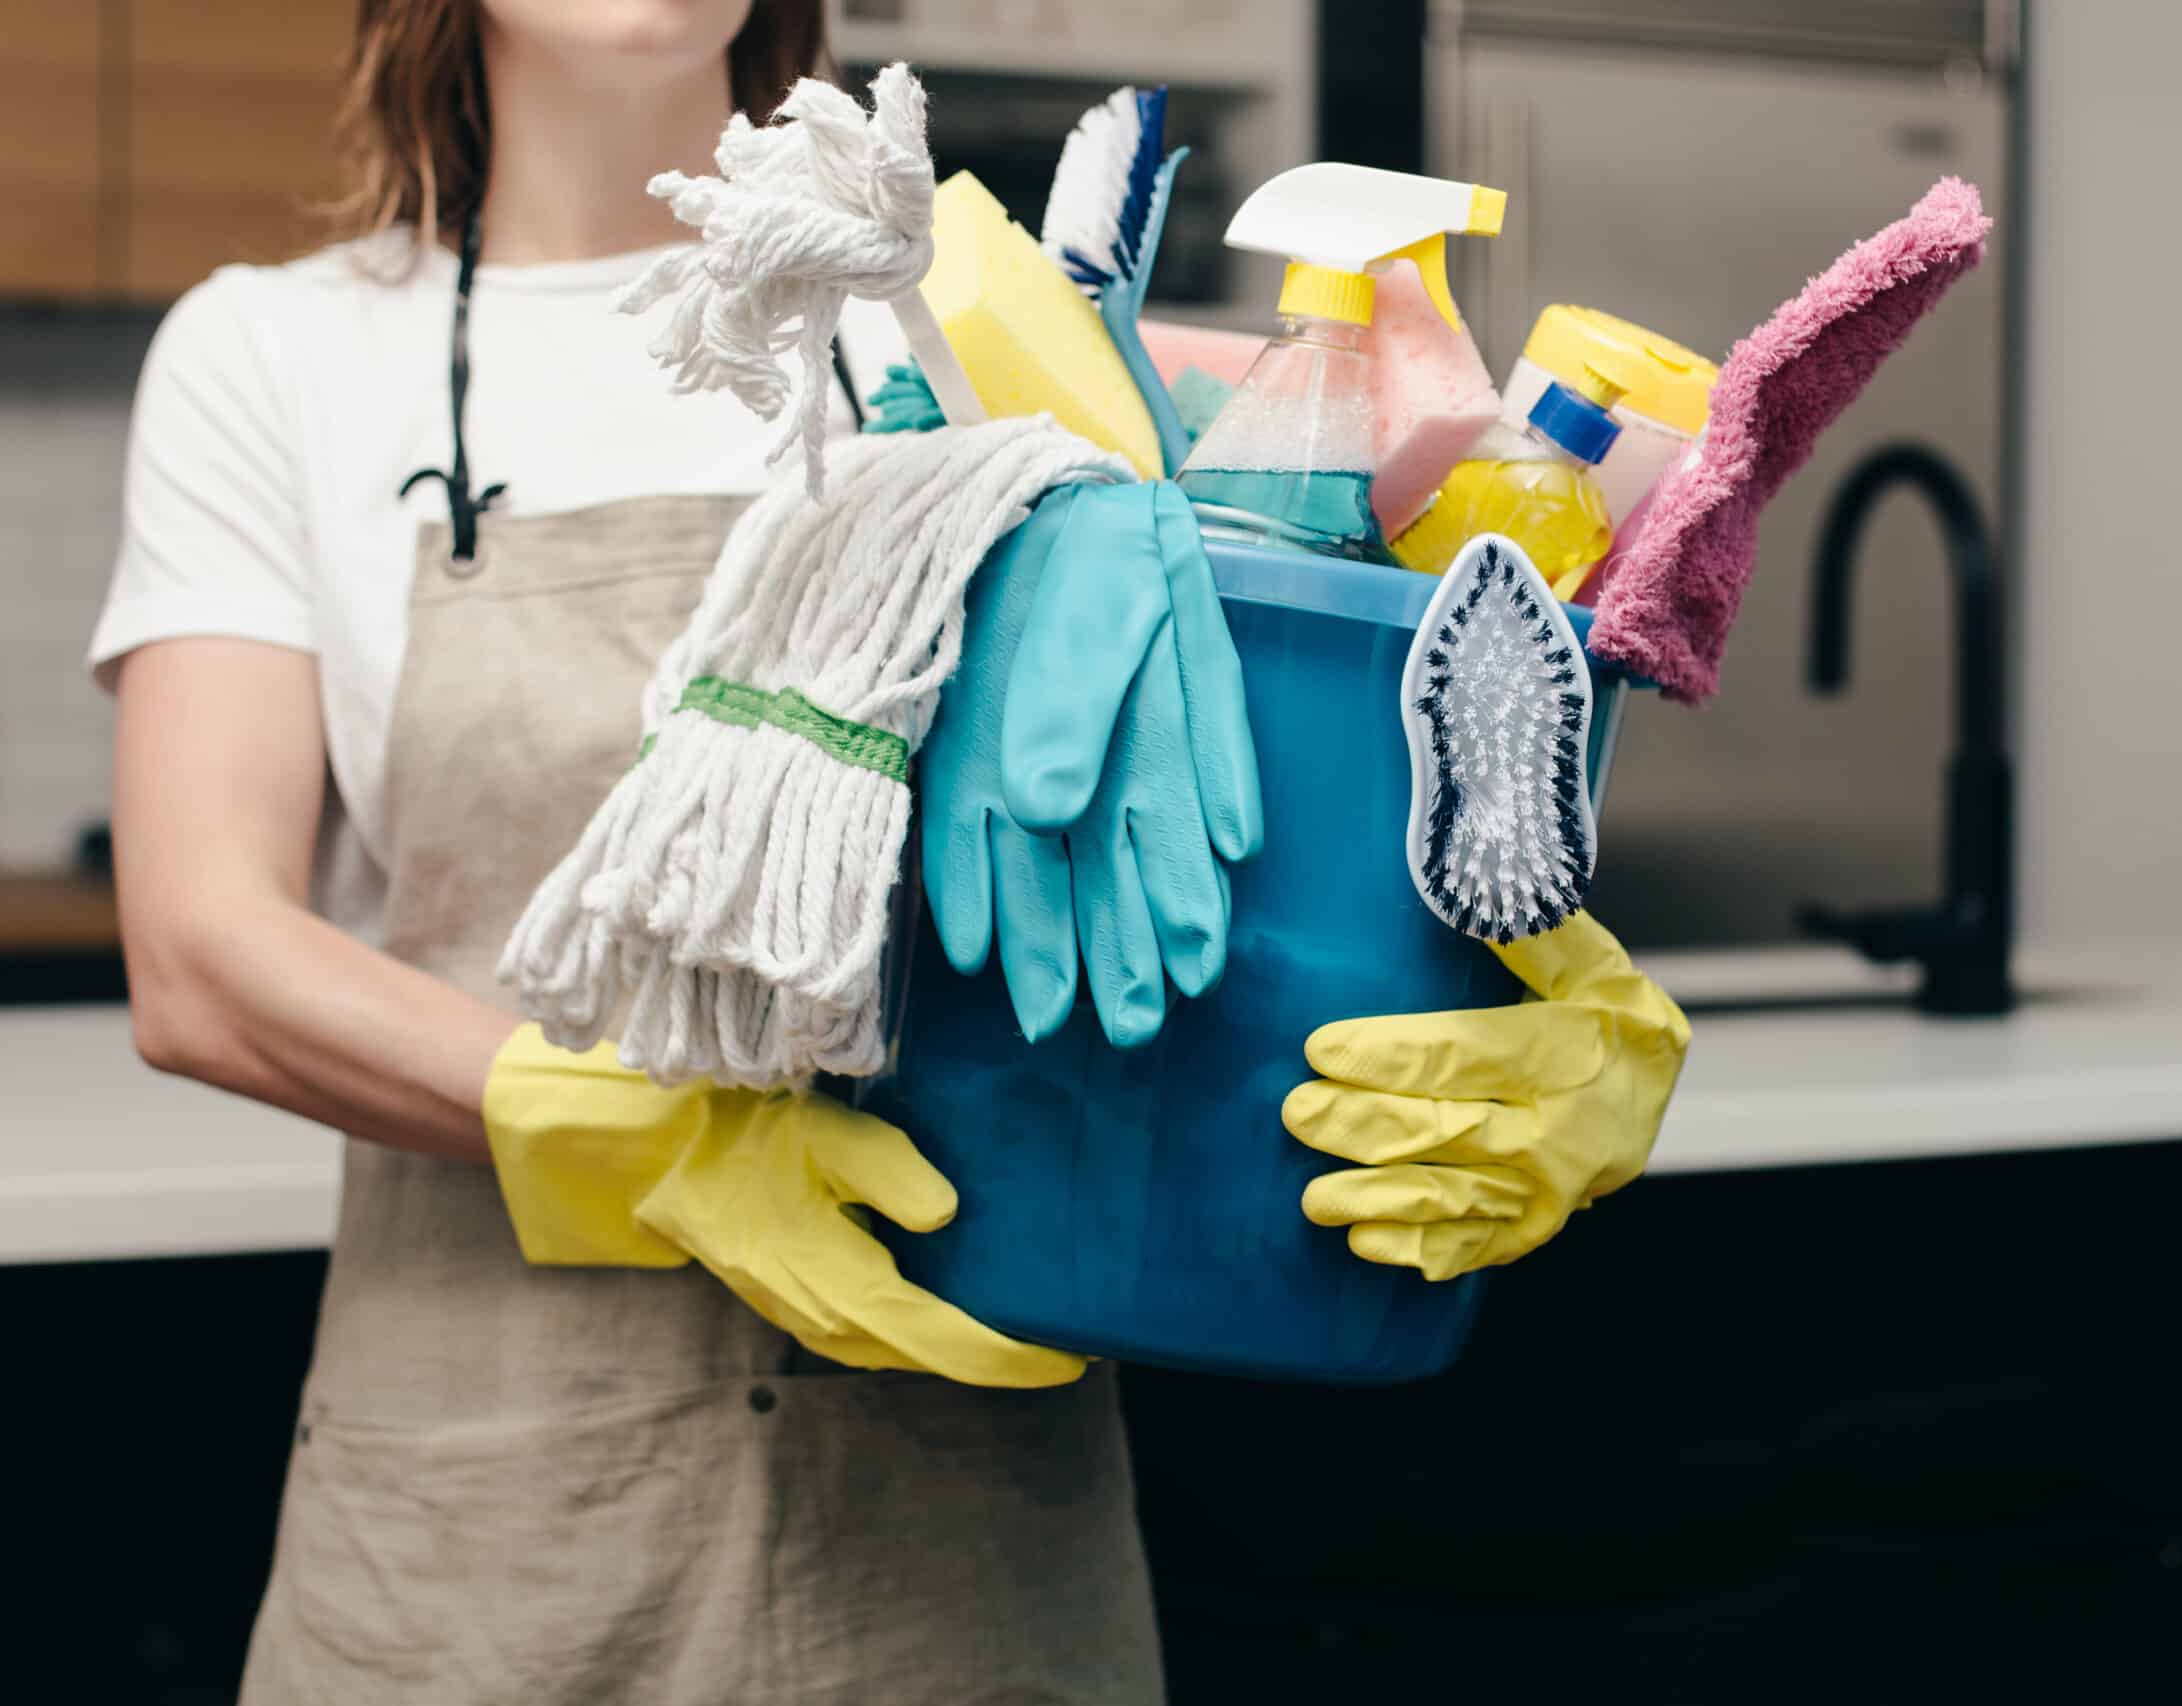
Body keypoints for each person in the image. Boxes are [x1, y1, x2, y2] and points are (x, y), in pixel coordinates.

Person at [94, 2, 1688, 1699]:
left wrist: (1564, 1002)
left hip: (967, 1554)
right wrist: (644, 1138)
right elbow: (200, 951)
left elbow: (1363, 722)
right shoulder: (273, 356)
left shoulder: (996, 336)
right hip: (483, 1542)